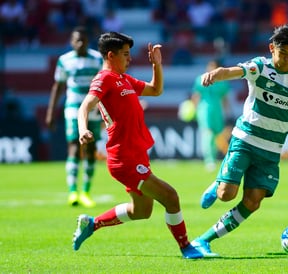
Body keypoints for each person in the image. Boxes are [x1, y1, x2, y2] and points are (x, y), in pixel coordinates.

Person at [190, 24, 288, 257]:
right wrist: (216, 74)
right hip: (245, 140)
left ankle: (203, 241)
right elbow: (233, 71)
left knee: (253, 202)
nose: (287, 59)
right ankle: (218, 183)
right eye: (283, 53)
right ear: (271, 48)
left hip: (271, 151)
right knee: (226, 195)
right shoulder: (260, 67)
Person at [73, 31, 206, 259]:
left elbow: (156, 90)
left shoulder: (124, 79)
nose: (129, 58)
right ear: (111, 55)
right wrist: (83, 129)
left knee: (141, 211)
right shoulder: (103, 78)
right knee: (171, 197)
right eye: (125, 54)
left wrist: (157, 65)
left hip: (137, 154)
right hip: (124, 158)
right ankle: (186, 247)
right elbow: (85, 106)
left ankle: (91, 224)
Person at [46, 26, 103, 208]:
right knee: (73, 145)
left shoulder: (96, 59)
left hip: (92, 108)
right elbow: (58, 86)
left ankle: (86, 191)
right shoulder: (65, 61)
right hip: (72, 107)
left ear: (88, 41)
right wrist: (50, 113)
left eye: (83, 40)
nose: (80, 43)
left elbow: (104, 85)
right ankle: (73, 191)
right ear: (71, 42)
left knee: (90, 147)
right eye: (76, 40)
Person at [191, 59, 230, 171]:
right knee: (208, 133)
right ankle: (209, 160)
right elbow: (196, 95)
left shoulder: (222, 81)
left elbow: (225, 98)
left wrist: (227, 113)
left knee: (217, 135)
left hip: (217, 110)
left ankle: (213, 157)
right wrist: (194, 110)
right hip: (204, 109)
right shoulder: (200, 79)